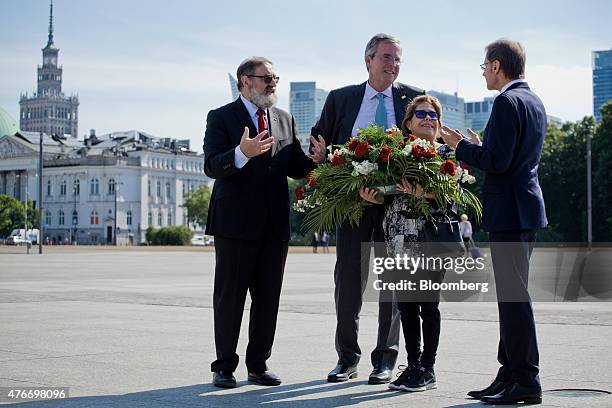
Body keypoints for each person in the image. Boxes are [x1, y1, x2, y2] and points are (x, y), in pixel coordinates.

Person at [204, 56, 326, 389]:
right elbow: (212, 165)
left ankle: (258, 364)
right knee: (230, 297)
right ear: (245, 80)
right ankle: (224, 366)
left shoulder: (284, 119)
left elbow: (294, 165)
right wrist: (242, 153)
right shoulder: (222, 117)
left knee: (268, 298)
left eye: (275, 78)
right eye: (266, 78)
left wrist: (315, 161)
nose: (273, 83)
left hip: (274, 223)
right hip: (235, 224)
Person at [312, 33, 424, 384]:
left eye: (397, 59)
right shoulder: (341, 98)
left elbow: (426, 142)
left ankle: (385, 360)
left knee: (391, 281)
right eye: (387, 58)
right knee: (348, 282)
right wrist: (319, 158)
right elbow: (320, 144)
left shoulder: (412, 97)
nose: (393, 64)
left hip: (397, 207)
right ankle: (346, 358)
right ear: (369, 60)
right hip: (352, 206)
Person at [441, 39, 547, 405]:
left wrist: (459, 146)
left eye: (485, 66)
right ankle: (509, 372)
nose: (484, 72)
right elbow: (509, 156)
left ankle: (526, 379)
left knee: (514, 298)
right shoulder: (533, 100)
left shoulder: (505, 101)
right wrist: (480, 145)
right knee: (511, 296)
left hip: (511, 213)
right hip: (526, 210)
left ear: (498, 65)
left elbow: (497, 162)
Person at [359, 95, 450, 392]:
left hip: (430, 239)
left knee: (428, 305)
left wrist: (428, 193)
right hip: (398, 239)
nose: (428, 118)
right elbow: (387, 191)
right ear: (408, 122)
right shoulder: (392, 155)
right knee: (407, 307)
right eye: (421, 113)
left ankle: (429, 368)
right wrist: (370, 195)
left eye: (433, 114)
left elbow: (454, 193)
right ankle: (412, 365)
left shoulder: (447, 153)